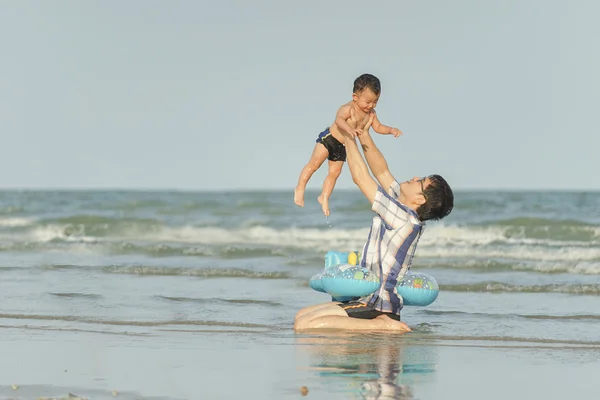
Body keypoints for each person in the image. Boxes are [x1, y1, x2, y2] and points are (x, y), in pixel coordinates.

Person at [293, 108, 454, 332]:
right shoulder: (403, 208)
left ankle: (384, 326)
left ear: (419, 198)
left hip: (379, 305)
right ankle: (376, 323)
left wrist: (347, 135)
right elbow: (381, 170)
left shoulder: (405, 219)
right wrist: (364, 133)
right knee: (301, 316)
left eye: (421, 181)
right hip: (367, 299)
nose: (415, 177)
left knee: (304, 325)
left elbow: (361, 177)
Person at [294, 73, 402, 217]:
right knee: (313, 165)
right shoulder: (347, 108)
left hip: (342, 147)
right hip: (329, 139)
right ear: (355, 97)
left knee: (334, 174)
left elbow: (377, 127)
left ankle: (324, 197)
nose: (371, 106)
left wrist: (390, 130)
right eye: (368, 102)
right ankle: (300, 188)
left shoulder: (371, 113)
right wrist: (350, 129)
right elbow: (339, 120)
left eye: (375, 102)